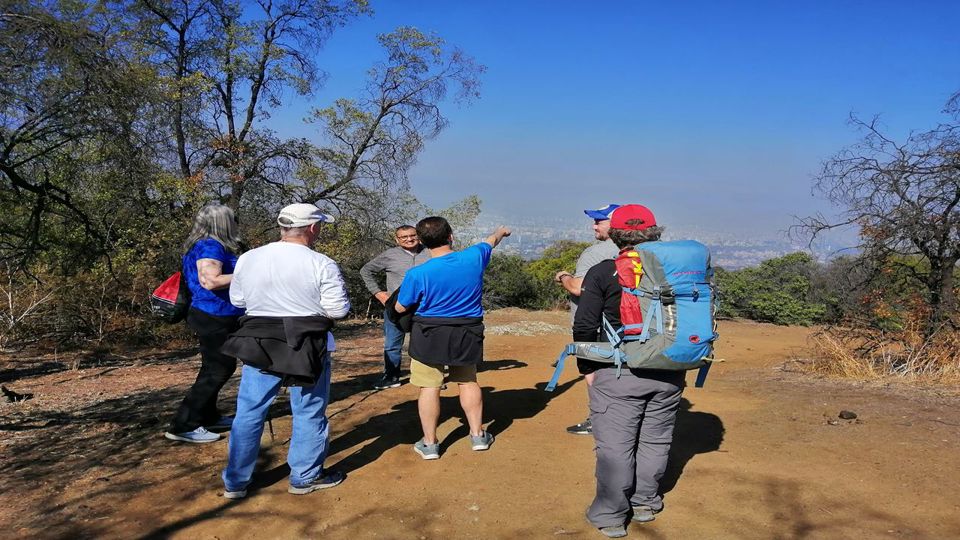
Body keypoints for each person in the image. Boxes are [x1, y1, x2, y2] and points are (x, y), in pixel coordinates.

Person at [218, 203, 351, 499]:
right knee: (308, 410)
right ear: (313, 228)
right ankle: (304, 477)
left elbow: (238, 300)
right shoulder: (321, 262)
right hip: (306, 346)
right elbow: (338, 310)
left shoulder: (249, 258)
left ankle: (236, 481)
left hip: (259, 344)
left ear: (283, 226)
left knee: (250, 411)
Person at [575, 204, 685, 538]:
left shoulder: (603, 271)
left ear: (616, 234)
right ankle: (646, 502)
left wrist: (588, 368)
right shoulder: (675, 271)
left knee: (615, 446)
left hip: (619, 370)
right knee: (655, 441)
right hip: (670, 370)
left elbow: (584, 325)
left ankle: (610, 514)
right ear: (656, 233)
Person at [394, 217, 511, 460]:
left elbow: (400, 307)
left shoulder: (418, 273)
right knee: (467, 381)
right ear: (450, 236)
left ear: (423, 242)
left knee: (429, 386)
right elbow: (491, 241)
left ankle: (430, 443)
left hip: (429, 333)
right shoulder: (473, 257)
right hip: (466, 330)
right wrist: (500, 231)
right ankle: (478, 435)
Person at [165, 204, 244, 444]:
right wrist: (249, 273)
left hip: (215, 314)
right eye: (232, 219)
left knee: (215, 366)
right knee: (218, 369)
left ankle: (207, 415)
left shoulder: (203, 245)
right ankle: (184, 424)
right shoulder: (211, 246)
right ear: (222, 223)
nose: (235, 222)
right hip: (213, 314)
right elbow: (211, 281)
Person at [554, 204, 621, 435]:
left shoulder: (595, 254)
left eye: (599, 221)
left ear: (614, 224)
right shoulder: (643, 251)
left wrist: (563, 276)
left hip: (597, 325)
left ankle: (599, 419)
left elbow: (578, 288)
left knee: (594, 373)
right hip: (628, 325)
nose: (594, 226)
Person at [360, 225, 432, 390]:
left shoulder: (429, 253)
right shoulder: (389, 255)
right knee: (392, 343)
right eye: (403, 237)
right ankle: (391, 377)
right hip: (396, 306)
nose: (409, 239)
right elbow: (366, 271)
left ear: (418, 236)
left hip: (425, 306)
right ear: (396, 239)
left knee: (425, 342)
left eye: (412, 235)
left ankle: (429, 378)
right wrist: (379, 294)